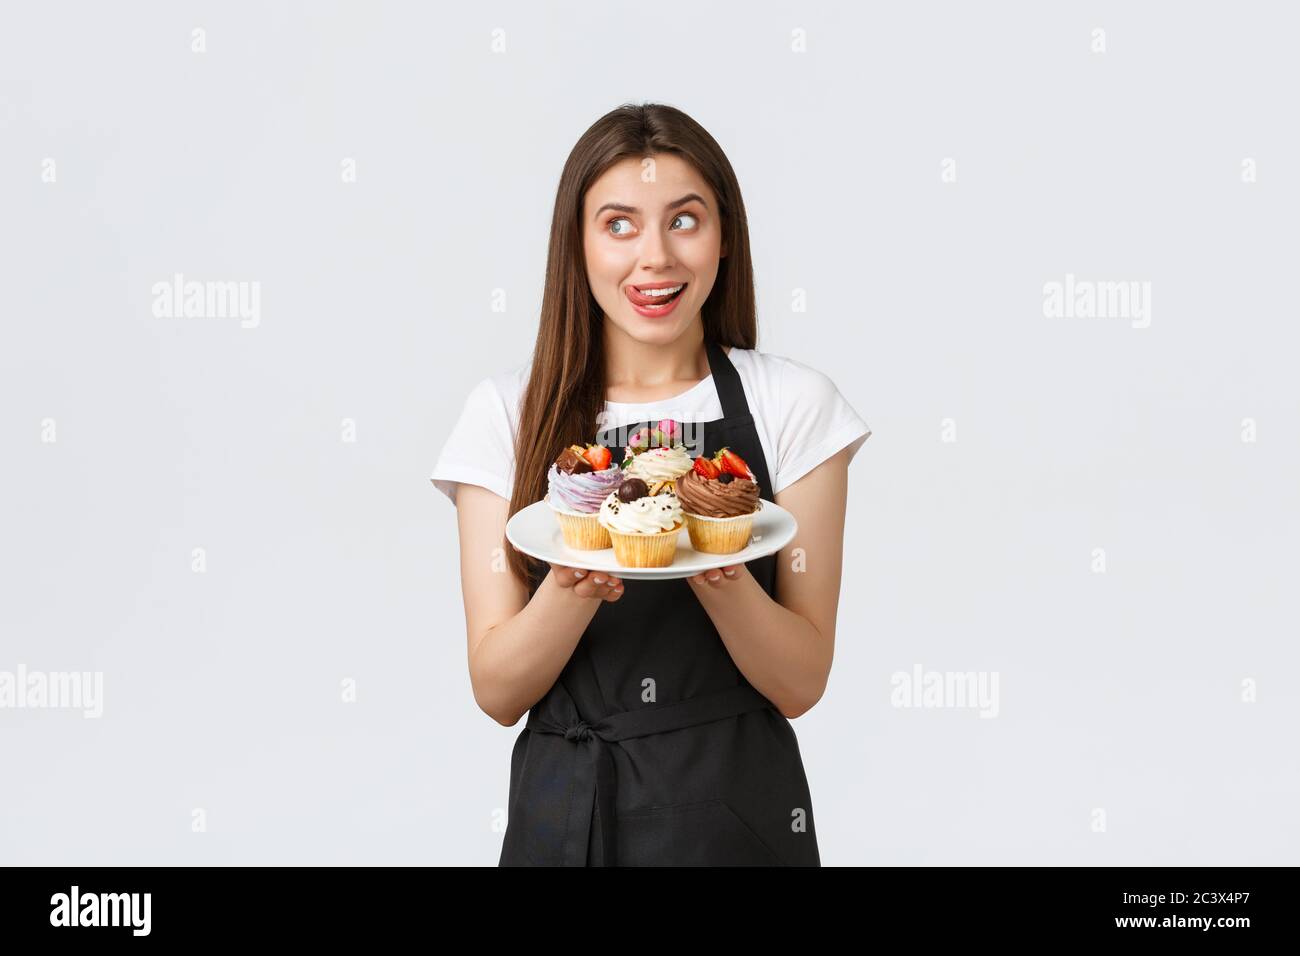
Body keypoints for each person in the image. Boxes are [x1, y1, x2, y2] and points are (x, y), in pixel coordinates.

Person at [430, 103, 871, 865]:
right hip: (567, 811)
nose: (655, 258)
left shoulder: (793, 405)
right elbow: (497, 691)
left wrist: (714, 564)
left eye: (686, 220)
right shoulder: (504, 413)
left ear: (725, 236)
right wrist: (577, 576)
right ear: (578, 244)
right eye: (620, 224)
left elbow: (801, 682)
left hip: (736, 816)